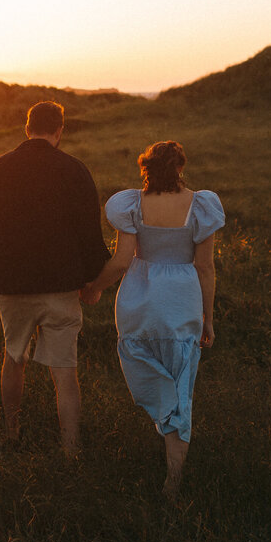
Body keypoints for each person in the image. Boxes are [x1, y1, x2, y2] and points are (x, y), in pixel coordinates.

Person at [81, 141, 225, 498]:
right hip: (181, 302)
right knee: (181, 387)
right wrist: (208, 318)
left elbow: (121, 261)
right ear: (180, 167)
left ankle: (165, 419)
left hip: (139, 301)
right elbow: (205, 267)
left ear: (145, 168)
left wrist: (94, 288)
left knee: (142, 364)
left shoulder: (131, 204)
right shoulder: (201, 205)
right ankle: (172, 479)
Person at [0, 101, 109, 457]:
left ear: (27, 127)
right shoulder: (74, 170)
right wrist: (92, 281)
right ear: (59, 130)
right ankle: (70, 448)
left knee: (13, 357)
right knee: (65, 371)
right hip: (62, 286)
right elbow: (88, 232)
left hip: (12, 285)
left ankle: (11, 433)